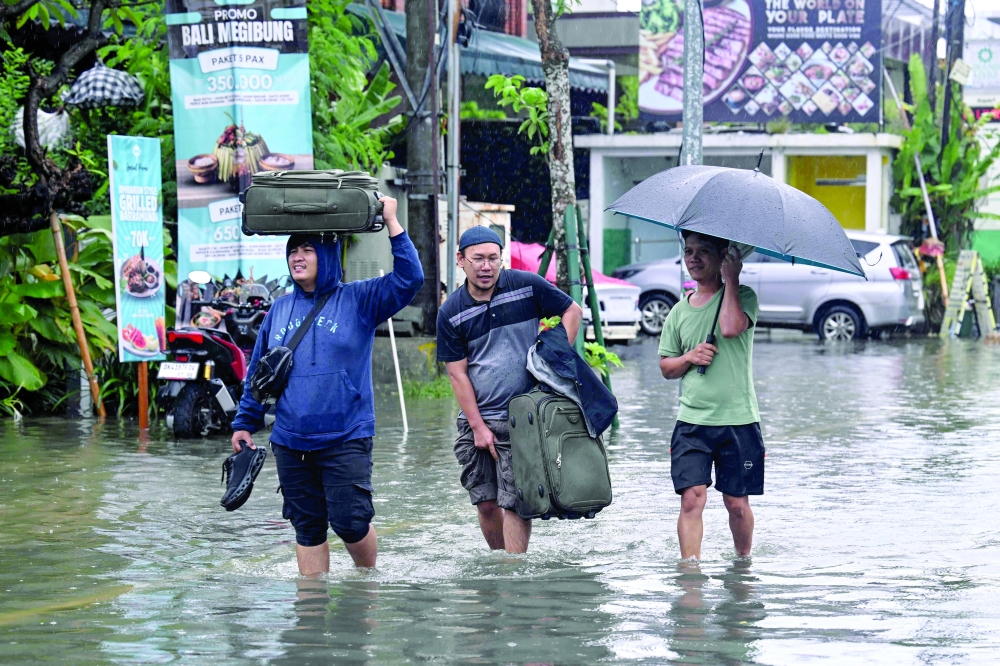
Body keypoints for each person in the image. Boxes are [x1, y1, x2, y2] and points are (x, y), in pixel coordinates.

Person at [230, 197, 422, 573]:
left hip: (346, 435)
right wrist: (243, 422)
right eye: (292, 251)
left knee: (350, 523)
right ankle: (311, 617)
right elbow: (258, 373)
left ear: (327, 255)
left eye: (307, 250)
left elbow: (409, 279)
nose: (297, 257)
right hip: (289, 440)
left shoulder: (359, 299)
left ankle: (367, 584)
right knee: (307, 529)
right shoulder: (279, 309)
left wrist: (392, 223)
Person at [436, 227, 584, 553]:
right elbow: (457, 374)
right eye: (478, 259)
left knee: (517, 501)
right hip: (477, 419)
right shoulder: (451, 312)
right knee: (487, 503)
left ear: (501, 258)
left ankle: (513, 576)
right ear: (461, 260)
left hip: (524, 417)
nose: (486, 266)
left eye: (493, 258)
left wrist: (557, 355)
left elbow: (572, 310)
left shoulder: (525, 286)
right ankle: (500, 567)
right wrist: (477, 427)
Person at [658, 231, 763, 560]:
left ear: (723, 256)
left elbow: (731, 328)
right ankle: (690, 575)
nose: (693, 258)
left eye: (703, 251)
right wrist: (689, 358)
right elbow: (666, 366)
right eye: (689, 251)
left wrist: (731, 281)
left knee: (736, 503)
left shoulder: (744, 296)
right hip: (692, 422)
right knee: (692, 498)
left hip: (739, 420)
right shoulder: (678, 312)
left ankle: (742, 563)